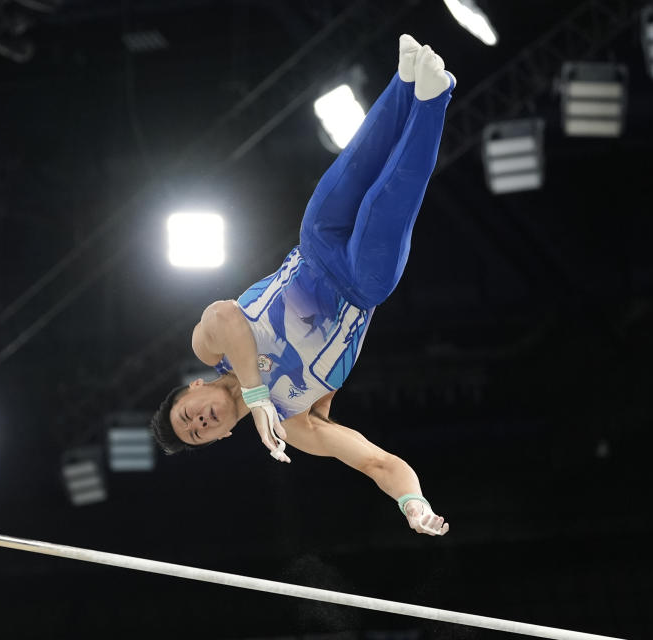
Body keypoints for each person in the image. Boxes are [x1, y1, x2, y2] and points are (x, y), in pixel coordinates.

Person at [151, 35, 454, 536]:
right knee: (390, 195)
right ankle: (435, 95)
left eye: (188, 417)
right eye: (199, 434)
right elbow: (377, 462)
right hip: (361, 284)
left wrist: (256, 393)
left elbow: (228, 313)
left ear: (194, 388)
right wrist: (412, 502)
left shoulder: (209, 346)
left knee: (358, 160)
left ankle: (405, 82)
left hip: (314, 244)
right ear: (223, 437)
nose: (199, 424)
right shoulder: (295, 423)